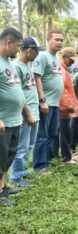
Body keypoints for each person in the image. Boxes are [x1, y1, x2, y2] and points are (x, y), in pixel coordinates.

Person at [10, 36, 43, 188]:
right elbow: (17, 93)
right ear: (29, 51)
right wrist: (27, 113)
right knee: (21, 147)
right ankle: (16, 177)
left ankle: (22, 171)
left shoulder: (26, 65)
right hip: (25, 114)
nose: (38, 55)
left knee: (29, 145)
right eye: (37, 51)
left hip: (34, 112)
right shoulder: (15, 66)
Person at [0, 28, 26, 207]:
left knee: (8, 157)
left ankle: (3, 186)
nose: (18, 50)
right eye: (17, 46)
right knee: (0, 159)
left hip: (14, 119)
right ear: (8, 43)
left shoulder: (8, 62)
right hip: (3, 121)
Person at [32, 29, 64, 173]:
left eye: (61, 40)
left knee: (52, 134)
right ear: (48, 40)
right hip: (46, 103)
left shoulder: (55, 58)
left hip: (55, 103)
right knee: (42, 135)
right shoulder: (42, 56)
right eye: (56, 39)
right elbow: (37, 78)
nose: (59, 42)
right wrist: (42, 100)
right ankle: (39, 166)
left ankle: (48, 160)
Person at [56, 48, 78, 163]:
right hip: (63, 106)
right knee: (64, 131)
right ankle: (66, 157)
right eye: (71, 59)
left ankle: (57, 155)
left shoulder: (65, 69)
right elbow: (62, 90)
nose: (73, 62)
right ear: (65, 57)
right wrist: (66, 104)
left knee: (61, 130)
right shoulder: (61, 70)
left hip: (64, 105)